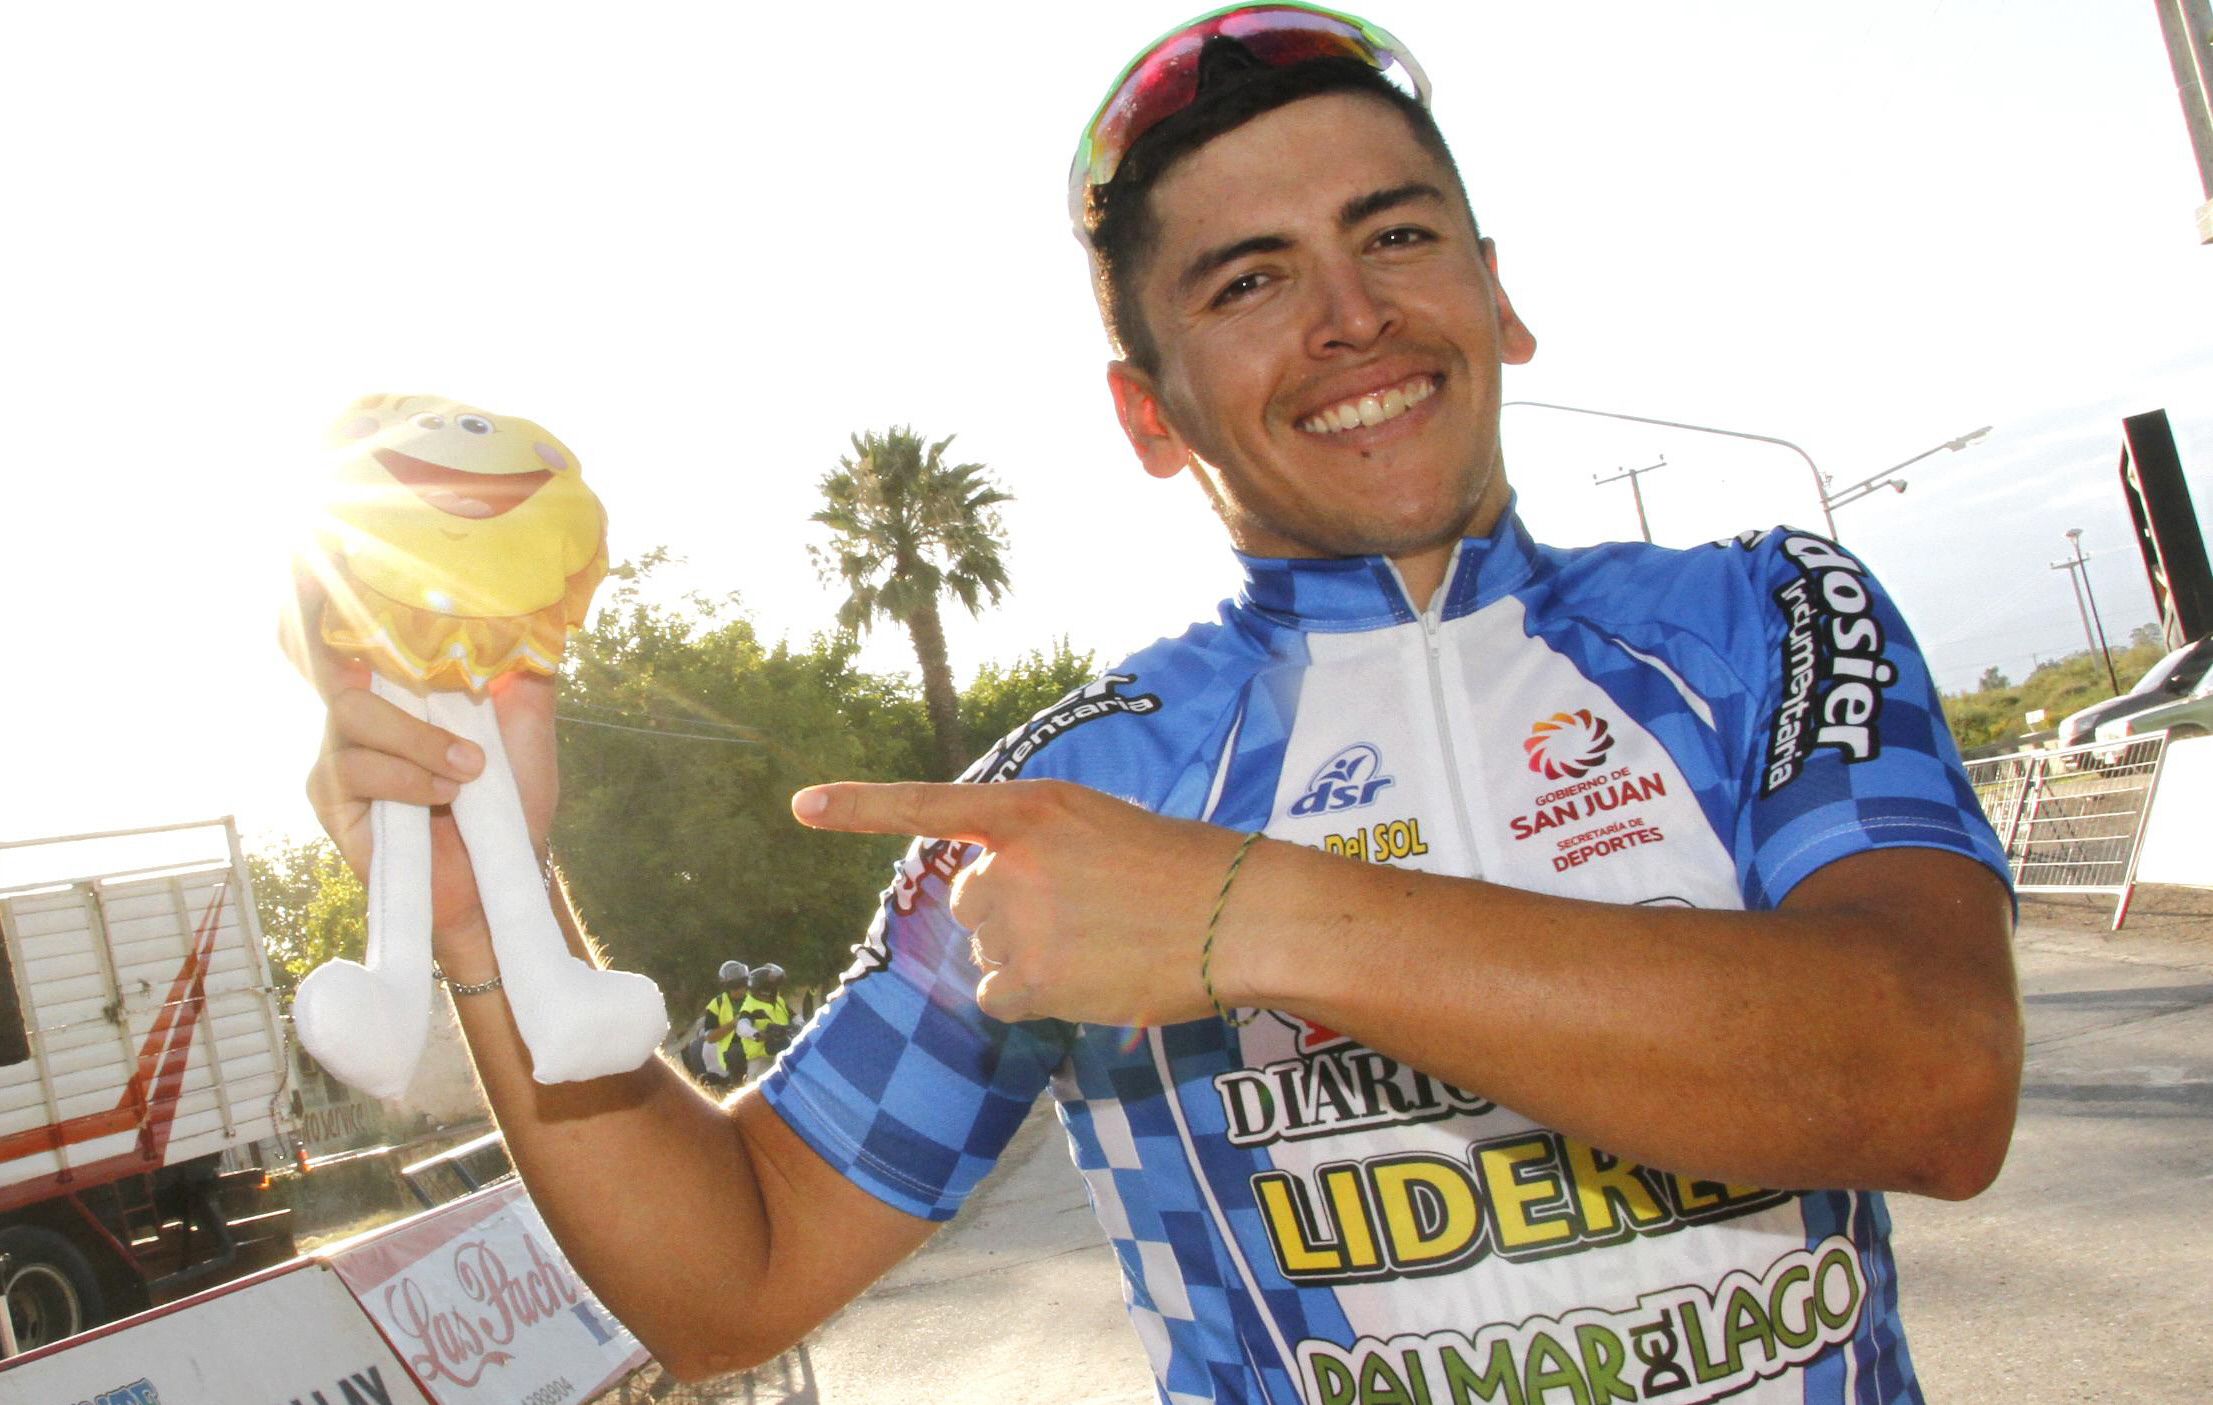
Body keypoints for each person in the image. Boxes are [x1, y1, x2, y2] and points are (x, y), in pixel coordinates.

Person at [298, 7, 2022, 1401]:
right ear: (1146, 412)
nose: (1353, 317)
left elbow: (1931, 1077)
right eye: (1248, 281)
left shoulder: (1756, 616)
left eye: (1394, 236)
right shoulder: (1077, 788)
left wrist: (1237, 916)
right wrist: (485, 922)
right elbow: (731, 1276)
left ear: (1497, 294)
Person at [733, 963, 792, 1082]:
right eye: (771, 988)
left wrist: (800, 1025)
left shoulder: (778, 1002)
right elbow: (741, 1026)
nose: (774, 991)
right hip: (761, 1062)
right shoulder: (750, 1006)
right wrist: (757, 1034)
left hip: (782, 1053)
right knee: (762, 1091)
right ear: (762, 990)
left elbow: (795, 1016)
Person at [699, 959, 750, 1088]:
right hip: (732, 1049)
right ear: (726, 987)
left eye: (742, 984)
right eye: (734, 986)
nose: (739, 990)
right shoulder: (716, 1004)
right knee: (735, 1053)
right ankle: (736, 1086)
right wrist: (732, 1024)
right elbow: (710, 1038)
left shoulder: (756, 996)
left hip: (759, 1041)